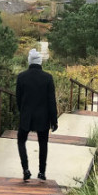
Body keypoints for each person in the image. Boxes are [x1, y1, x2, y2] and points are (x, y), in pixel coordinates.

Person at [16, 48, 58, 181]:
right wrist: (54, 120)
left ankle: (25, 169)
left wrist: (22, 112)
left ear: (29, 61)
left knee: (21, 141)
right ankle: (42, 172)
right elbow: (52, 101)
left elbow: (18, 98)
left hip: (26, 116)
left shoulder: (21, 77)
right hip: (43, 117)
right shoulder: (47, 78)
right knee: (43, 144)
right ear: (40, 62)